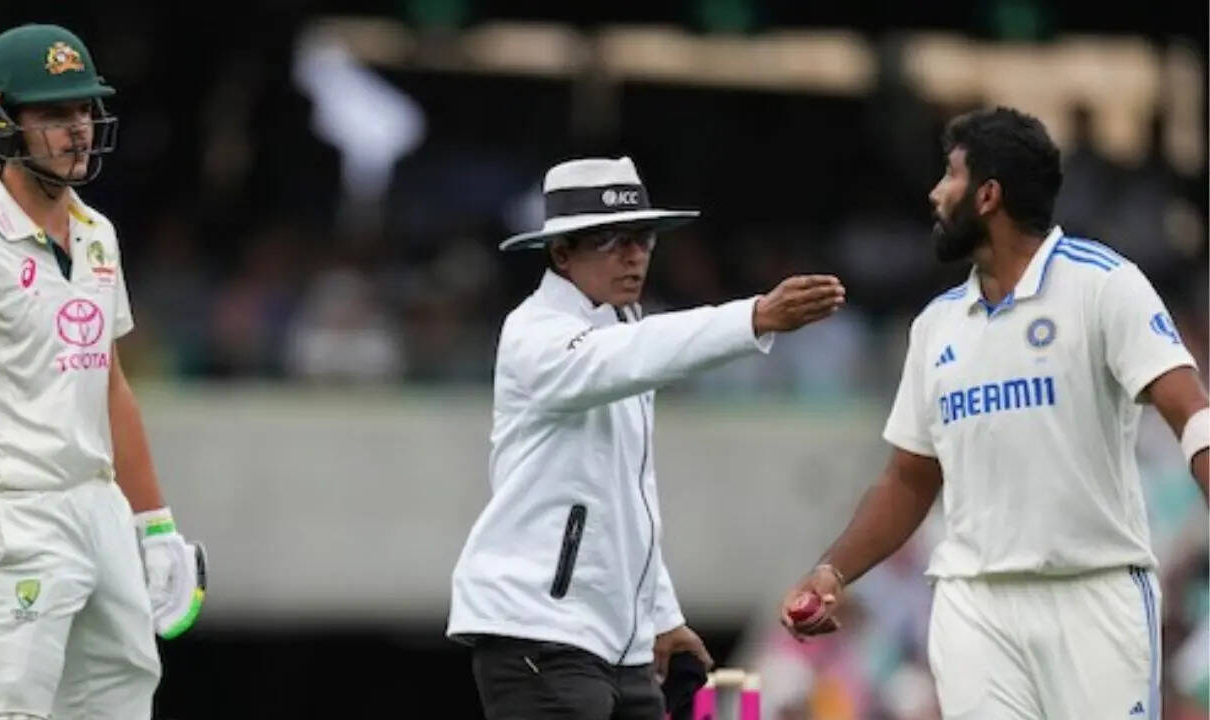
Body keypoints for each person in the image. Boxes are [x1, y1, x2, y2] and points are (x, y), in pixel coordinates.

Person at [780, 107, 1209, 719]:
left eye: (949, 176)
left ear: (987, 195)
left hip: (1092, 594)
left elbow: (1191, 414)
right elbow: (908, 480)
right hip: (975, 608)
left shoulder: (1105, 286)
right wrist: (832, 573)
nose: (935, 194)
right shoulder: (936, 326)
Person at [448, 156, 846, 719]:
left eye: (644, 238)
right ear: (561, 254)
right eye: (612, 240)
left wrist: (661, 615)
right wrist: (752, 317)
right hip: (538, 631)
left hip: (618, 646)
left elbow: (626, 502)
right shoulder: (533, 331)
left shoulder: (623, 328)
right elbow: (625, 357)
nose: (634, 255)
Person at [0, 24, 206, 719]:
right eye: (54, 113)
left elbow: (108, 384)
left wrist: (155, 524)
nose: (78, 128)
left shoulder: (96, 233)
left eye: (84, 108)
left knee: (121, 693)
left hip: (96, 503)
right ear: (1, 124)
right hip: (9, 512)